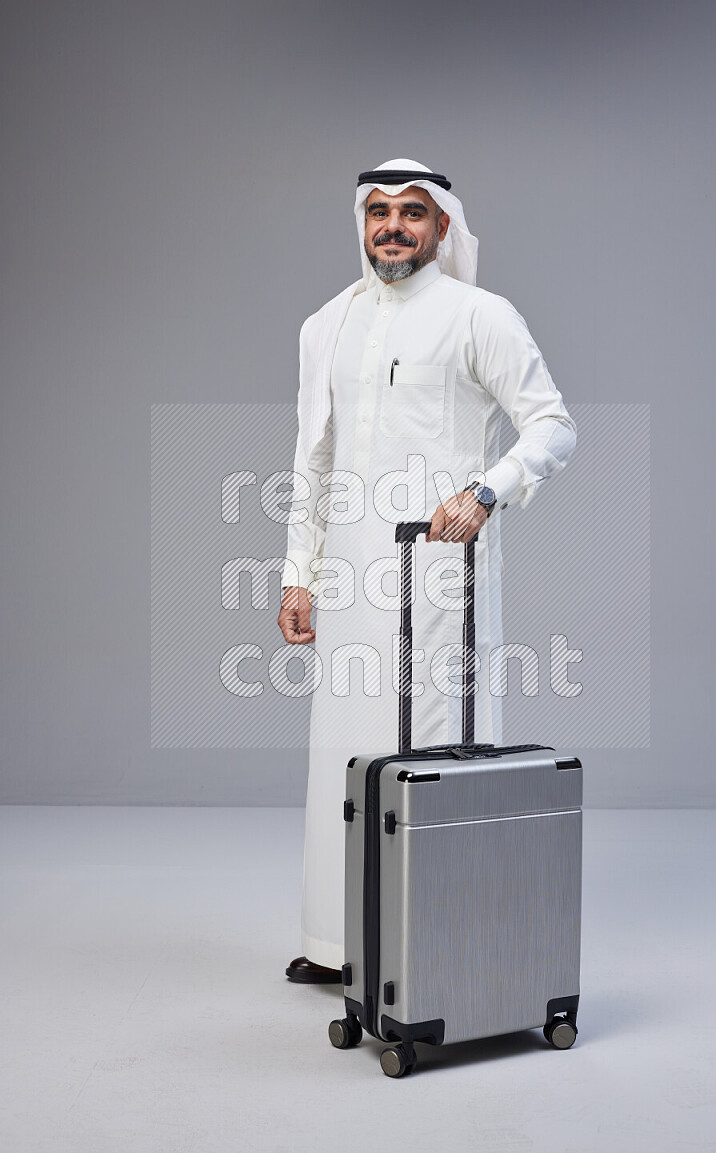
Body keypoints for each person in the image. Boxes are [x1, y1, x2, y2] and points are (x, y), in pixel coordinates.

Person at [278, 158, 576, 983]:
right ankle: (344, 947)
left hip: (440, 573)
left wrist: (488, 492)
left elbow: (552, 427)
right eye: (379, 211)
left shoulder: (479, 315)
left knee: (433, 749)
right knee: (342, 755)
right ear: (361, 223)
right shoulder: (325, 324)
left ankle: (430, 950)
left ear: (443, 225)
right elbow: (315, 459)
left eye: (413, 211)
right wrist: (298, 574)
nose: (393, 227)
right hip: (348, 579)